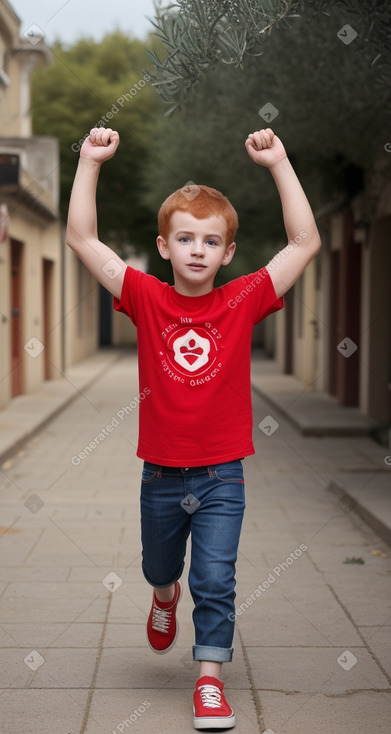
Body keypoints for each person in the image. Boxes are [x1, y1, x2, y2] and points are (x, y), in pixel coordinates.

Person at [66, 125, 321, 730]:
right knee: (163, 569)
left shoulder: (243, 299)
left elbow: (306, 241)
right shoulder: (146, 298)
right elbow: (80, 237)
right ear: (164, 246)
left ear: (228, 253)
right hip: (159, 474)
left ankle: (210, 679)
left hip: (220, 476)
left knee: (215, 577)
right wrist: (89, 162)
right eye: (186, 238)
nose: (198, 250)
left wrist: (280, 163)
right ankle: (161, 597)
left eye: (211, 241)